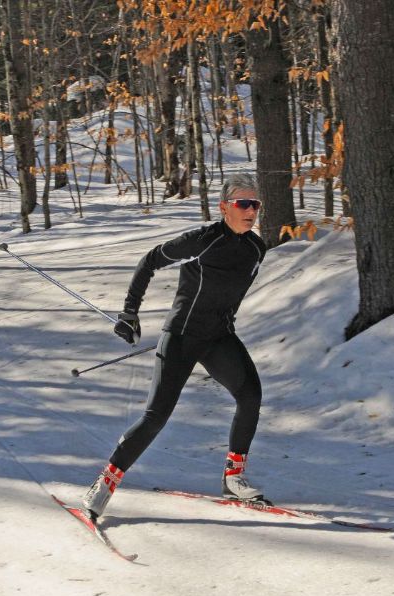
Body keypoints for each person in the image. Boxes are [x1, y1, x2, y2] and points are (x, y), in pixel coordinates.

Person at [82, 173, 269, 520]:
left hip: (219, 338)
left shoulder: (257, 249)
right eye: (243, 203)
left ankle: (233, 478)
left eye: (255, 204)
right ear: (224, 207)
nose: (250, 210)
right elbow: (150, 260)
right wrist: (130, 313)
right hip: (182, 336)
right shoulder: (204, 239)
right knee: (156, 417)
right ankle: (105, 483)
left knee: (250, 395)